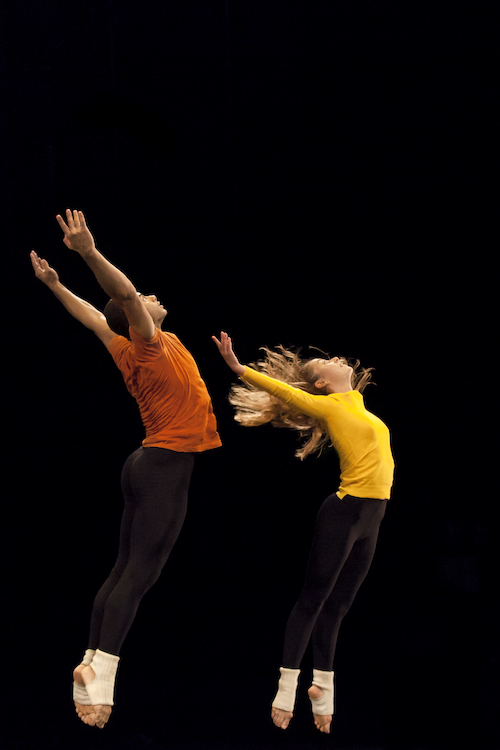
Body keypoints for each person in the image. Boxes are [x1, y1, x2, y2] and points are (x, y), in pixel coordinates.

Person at [30, 210, 221, 729]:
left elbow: (94, 316)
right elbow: (123, 300)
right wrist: (88, 254)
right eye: (143, 300)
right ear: (138, 317)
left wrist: (55, 284)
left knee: (121, 570)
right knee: (140, 575)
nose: (151, 297)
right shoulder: (148, 345)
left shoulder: (126, 346)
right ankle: (105, 678)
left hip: (143, 464)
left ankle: (90, 661)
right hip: (163, 466)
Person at [212, 331, 394, 735]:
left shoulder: (360, 407)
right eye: (326, 361)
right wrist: (239, 368)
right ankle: (285, 687)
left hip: (372, 518)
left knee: (340, 606)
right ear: (321, 384)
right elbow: (287, 393)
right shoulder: (326, 405)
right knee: (313, 601)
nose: (336, 357)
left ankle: (323, 689)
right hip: (344, 512)